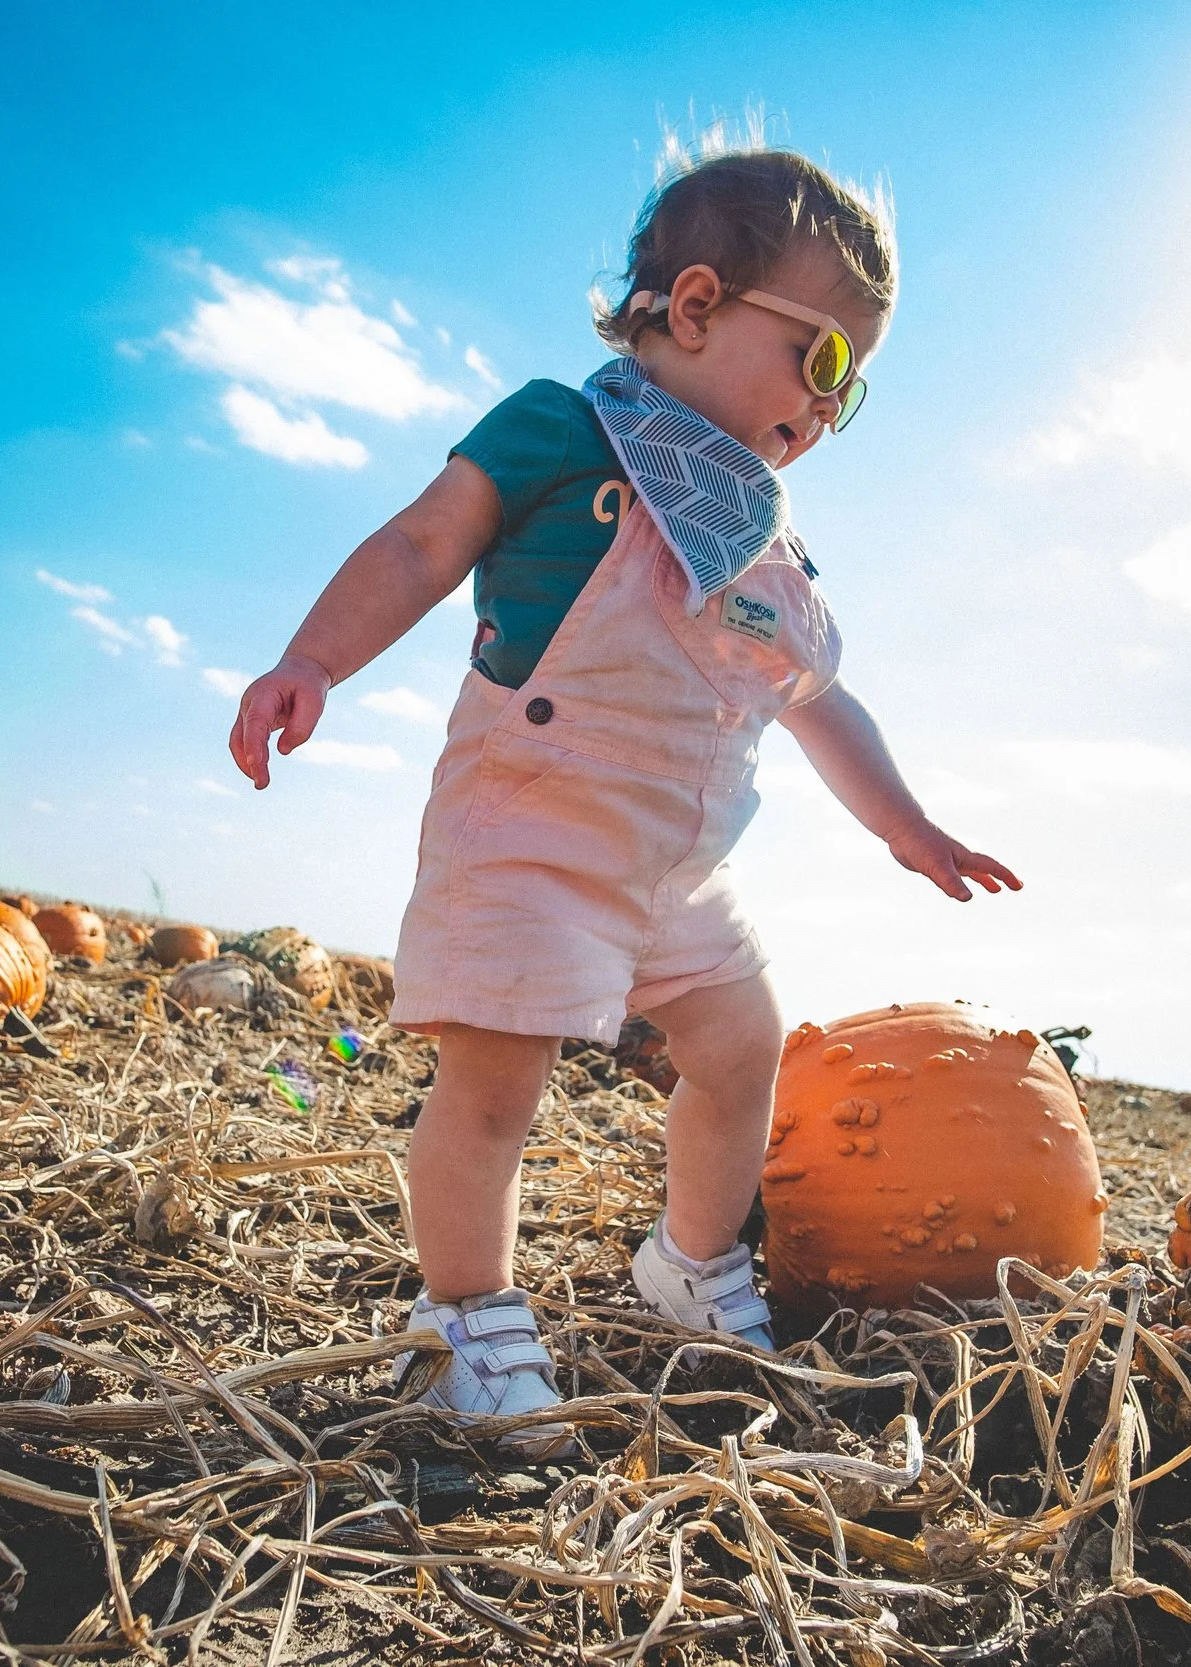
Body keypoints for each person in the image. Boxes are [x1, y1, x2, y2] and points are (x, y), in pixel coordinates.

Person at [229, 147, 1017, 1456]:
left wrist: (905, 823)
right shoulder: (561, 432)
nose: (831, 406)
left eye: (856, 387)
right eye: (823, 358)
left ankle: (692, 1263)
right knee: (495, 1087)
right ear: (697, 305)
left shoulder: (757, 536)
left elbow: (820, 699)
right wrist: (313, 659)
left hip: (680, 864)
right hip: (532, 829)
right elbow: (421, 542)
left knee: (744, 1050)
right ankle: (462, 1317)